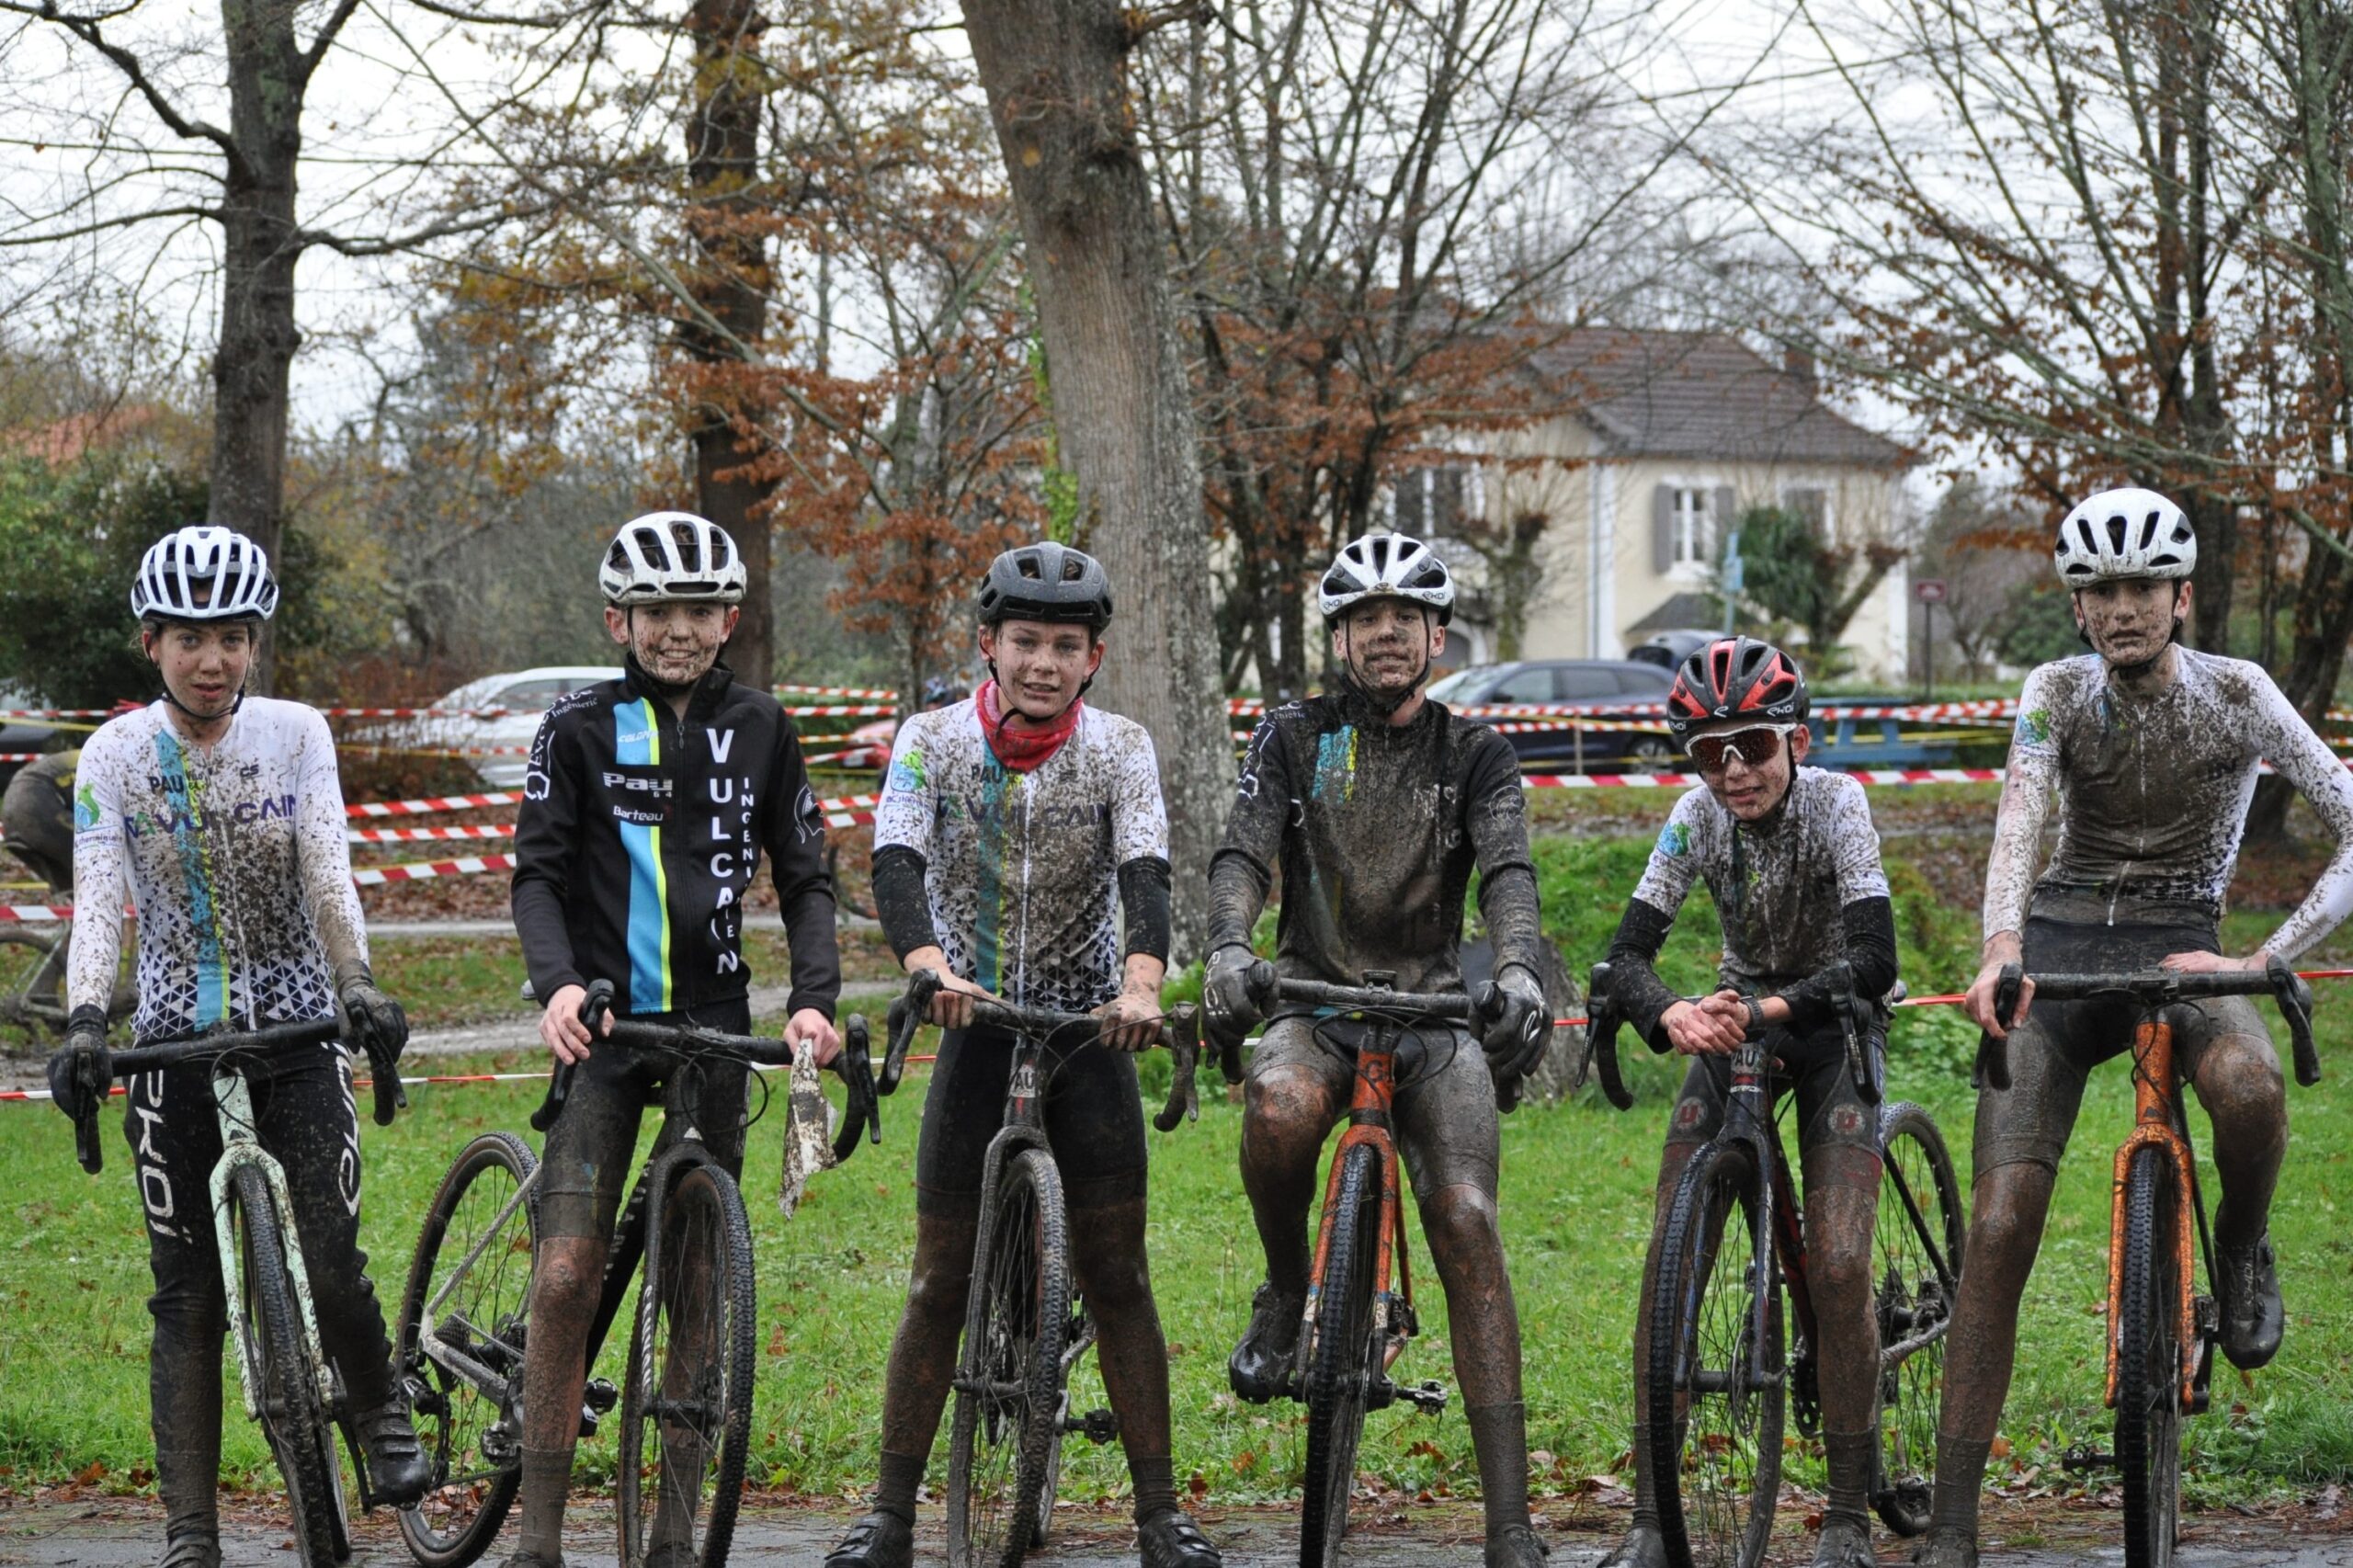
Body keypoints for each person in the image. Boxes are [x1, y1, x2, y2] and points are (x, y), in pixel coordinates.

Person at [1915, 488, 2353, 1567]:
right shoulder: (2055, 690)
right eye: (2097, 590)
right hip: (2062, 948)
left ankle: (2241, 1251)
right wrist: (1997, 943)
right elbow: (2018, 818)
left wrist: (2266, 957)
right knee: (2003, 1223)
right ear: (2077, 605)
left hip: (2184, 945)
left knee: (2248, 1090)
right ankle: (1956, 1521)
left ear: (2179, 595)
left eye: (2139, 587)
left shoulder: (2240, 693)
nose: (2118, 608)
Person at [826, 540, 1219, 1568]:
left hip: (1091, 1026)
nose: (1042, 660)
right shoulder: (932, 738)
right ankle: (890, 1513)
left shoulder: (1122, 747)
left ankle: (1160, 1515)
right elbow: (896, 854)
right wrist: (925, 964)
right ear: (989, 643)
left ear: (1093, 657)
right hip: (974, 1015)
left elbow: (1147, 867)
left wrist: (1141, 984)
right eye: (1025, 640)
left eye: (1065, 644)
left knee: (1121, 1274)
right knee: (935, 1281)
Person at [46, 525, 425, 1568]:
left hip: (297, 1020)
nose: (212, 658)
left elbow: (326, 866)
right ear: (150, 641)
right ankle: (190, 1532)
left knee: (334, 1259)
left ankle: (381, 1409)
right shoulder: (115, 755)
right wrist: (88, 1020)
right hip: (172, 1036)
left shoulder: (297, 733)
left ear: (254, 641)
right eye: (188, 638)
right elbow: (103, 901)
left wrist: (356, 981)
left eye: (232, 636)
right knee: (186, 1294)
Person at [1205, 531, 1552, 1568]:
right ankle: (1282, 1288)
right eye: (1365, 617)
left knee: (1466, 1216)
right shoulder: (1291, 735)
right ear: (1340, 637)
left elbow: (1508, 871)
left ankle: (1509, 1522)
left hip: (1436, 1016)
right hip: (1313, 1001)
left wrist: (1521, 965)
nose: (1386, 632)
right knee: (1273, 1109)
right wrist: (1228, 941)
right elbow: (1242, 847)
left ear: (1437, 634)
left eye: (1406, 616)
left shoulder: (1474, 751)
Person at [505, 511, 844, 1568]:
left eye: (698, 610)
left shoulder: (765, 726)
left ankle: (671, 1534)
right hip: (603, 1027)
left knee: (695, 1277)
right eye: (656, 612)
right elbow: (536, 874)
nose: (678, 630)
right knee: (565, 1274)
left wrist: (814, 999)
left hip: (712, 1027)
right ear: (619, 618)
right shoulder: (576, 728)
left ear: (729, 616)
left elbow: (806, 873)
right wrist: (557, 986)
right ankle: (540, 1534)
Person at [1592, 638, 1899, 1568]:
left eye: (1753, 745)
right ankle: (1651, 1516)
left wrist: (1767, 1007)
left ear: (1794, 739)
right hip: (1736, 1027)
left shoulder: (1839, 802)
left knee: (1841, 1264)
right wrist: (1672, 1011)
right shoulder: (1693, 819)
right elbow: (1621, 960)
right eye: (1708, 752)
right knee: (1670, 1263)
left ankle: (1846, 1513)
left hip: (1829, 1021)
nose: (1733, 770)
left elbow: (1874, 959)